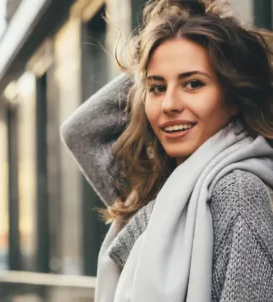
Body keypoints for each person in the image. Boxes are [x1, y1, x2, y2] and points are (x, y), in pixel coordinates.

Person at [61, 0, 273, 301]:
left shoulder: (237, 190)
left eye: (193, 84)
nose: (169, 104)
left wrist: (192, 38)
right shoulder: (155, 189)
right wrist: (167, 41)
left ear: (234, 96)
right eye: (157, 88)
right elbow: (82, 132)